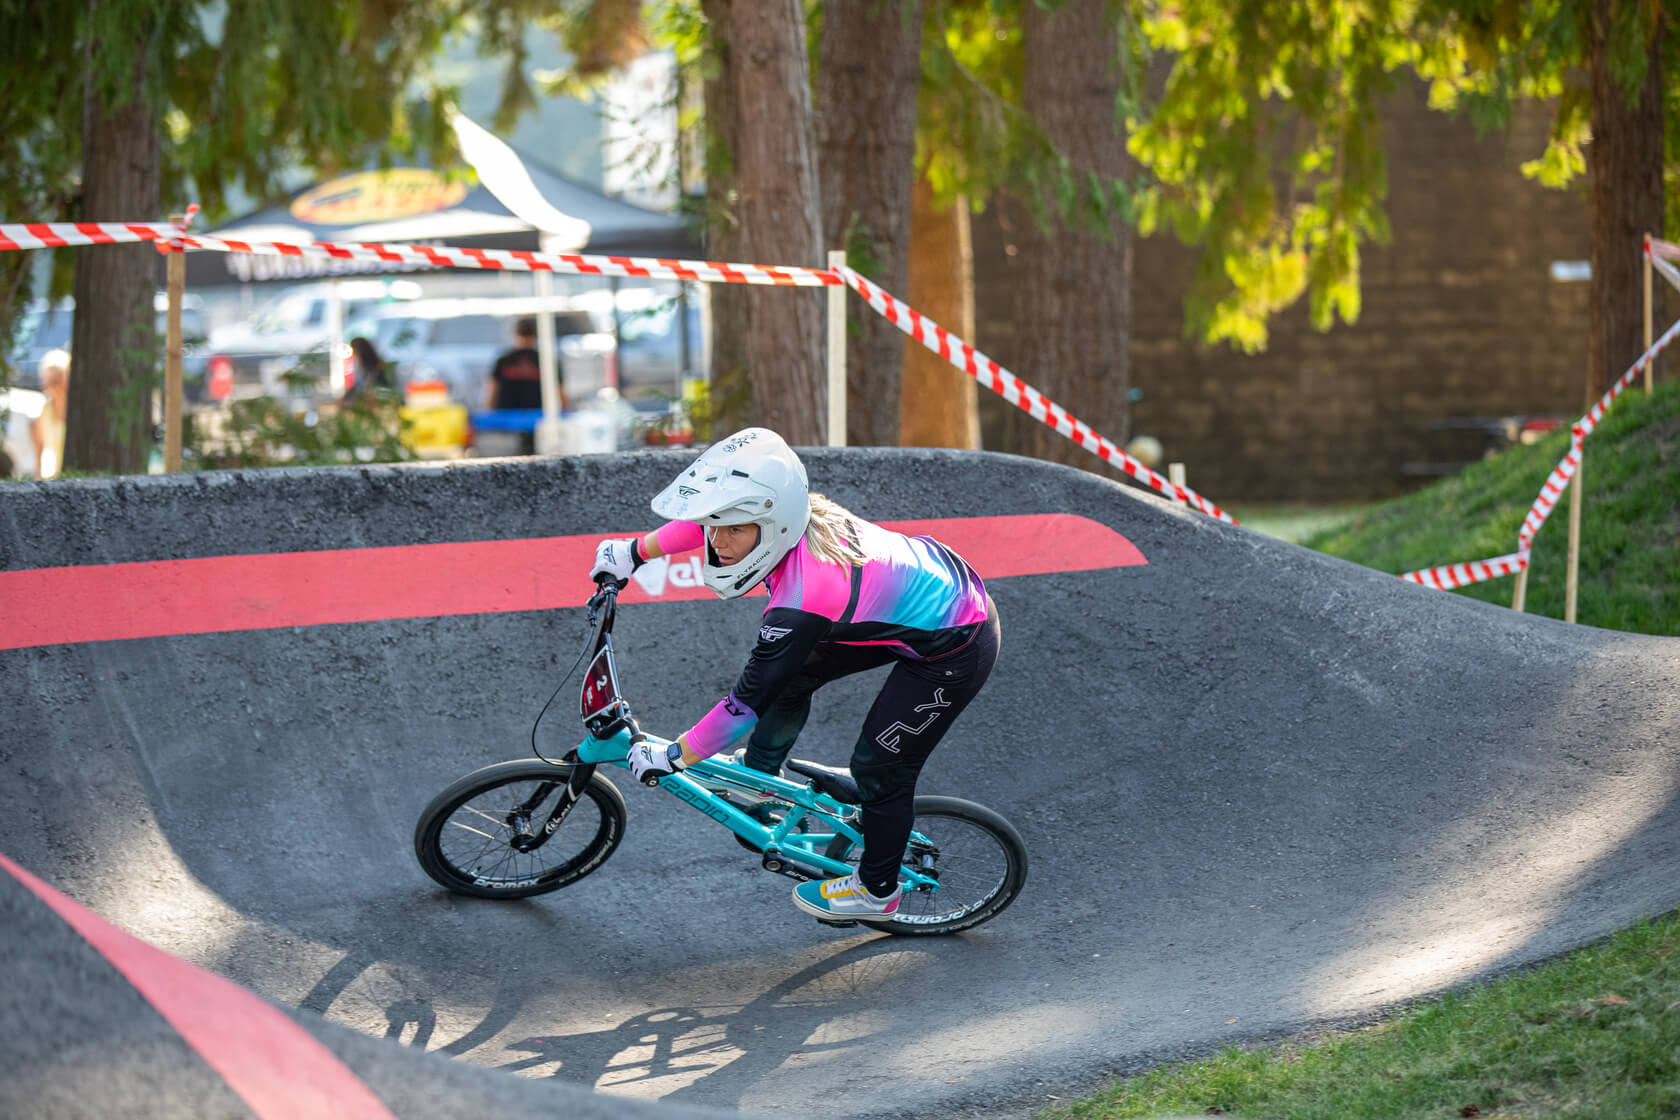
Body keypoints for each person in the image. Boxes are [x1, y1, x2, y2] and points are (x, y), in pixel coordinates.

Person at [589, 427, 1001, 921]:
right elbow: (713, 520)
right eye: (716, 528)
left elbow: (745, 704)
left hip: (955, 641)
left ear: (770, 528)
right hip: (912, 598)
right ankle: (758, 780)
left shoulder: (802, 601)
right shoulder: (781, 515)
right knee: (788, 675)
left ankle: (877, 891)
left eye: (733, 532)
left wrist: (675, 755)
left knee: (880, 769)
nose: (717, 543)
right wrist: (634, 551)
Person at [485, 316, 565, 411]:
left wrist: (488, 410)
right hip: (523, 416)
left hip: (518, 416)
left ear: (515, 335)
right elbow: (560, 391)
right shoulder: (546, 361)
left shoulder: (546, 361)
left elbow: (492, 390)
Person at [32, 349, 69, 479]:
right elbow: (39, 449)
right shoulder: (45, 410)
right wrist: (38, 476)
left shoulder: (76, 411)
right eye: (48, 382)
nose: (50, 388)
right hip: (53, 477)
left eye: (55, 381)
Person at [341, 336, 392, 401]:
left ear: (360, 352)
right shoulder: (366, 369)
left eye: (355, 352)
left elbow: (381, 390)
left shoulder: (374, 370)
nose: (354, 356)